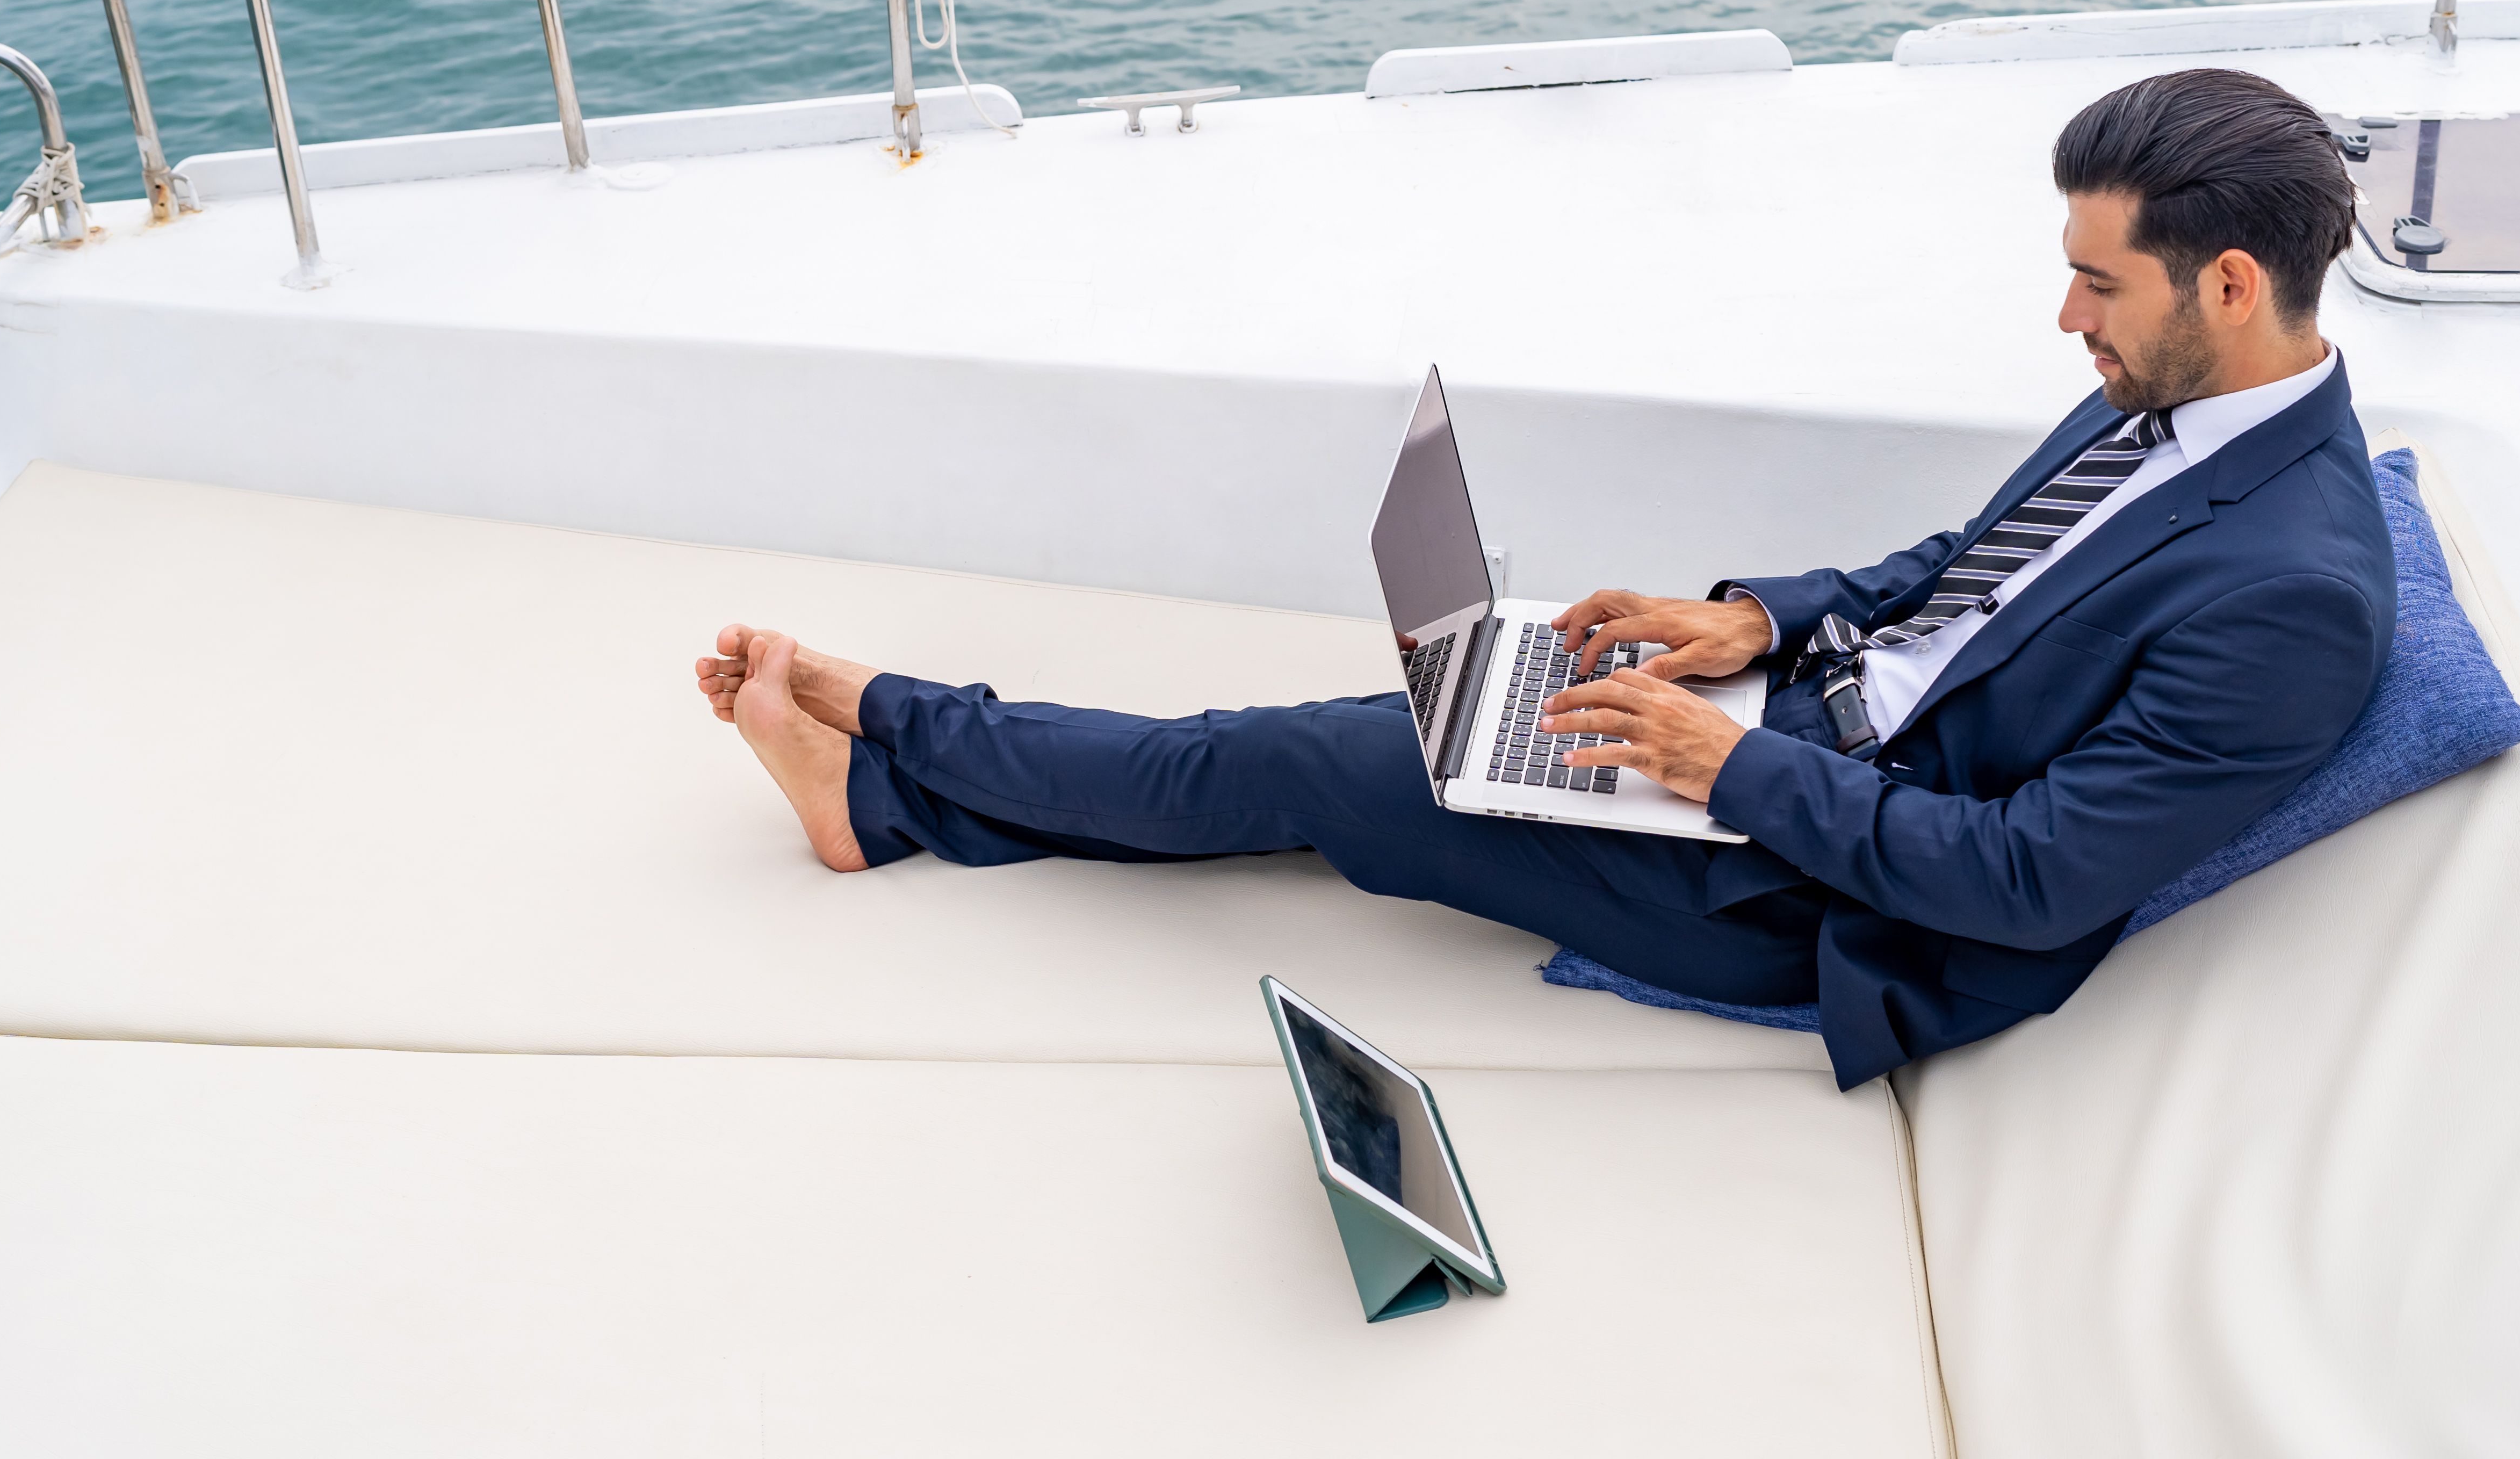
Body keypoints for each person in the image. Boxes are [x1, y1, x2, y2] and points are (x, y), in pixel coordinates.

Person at [692, 68, 2396, 1088]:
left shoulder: (2290, 600)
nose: (2067, 320)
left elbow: (2028, 884)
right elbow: (1970, 570)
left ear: (2229, 283)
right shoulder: (2182, 403)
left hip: (1821, 892)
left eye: (2096, 284)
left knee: (1307, 760)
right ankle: (898, 784)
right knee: (1394, 727)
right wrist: (1756, 621)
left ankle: (891, 765)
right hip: (1791, 728)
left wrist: (1731, 765)